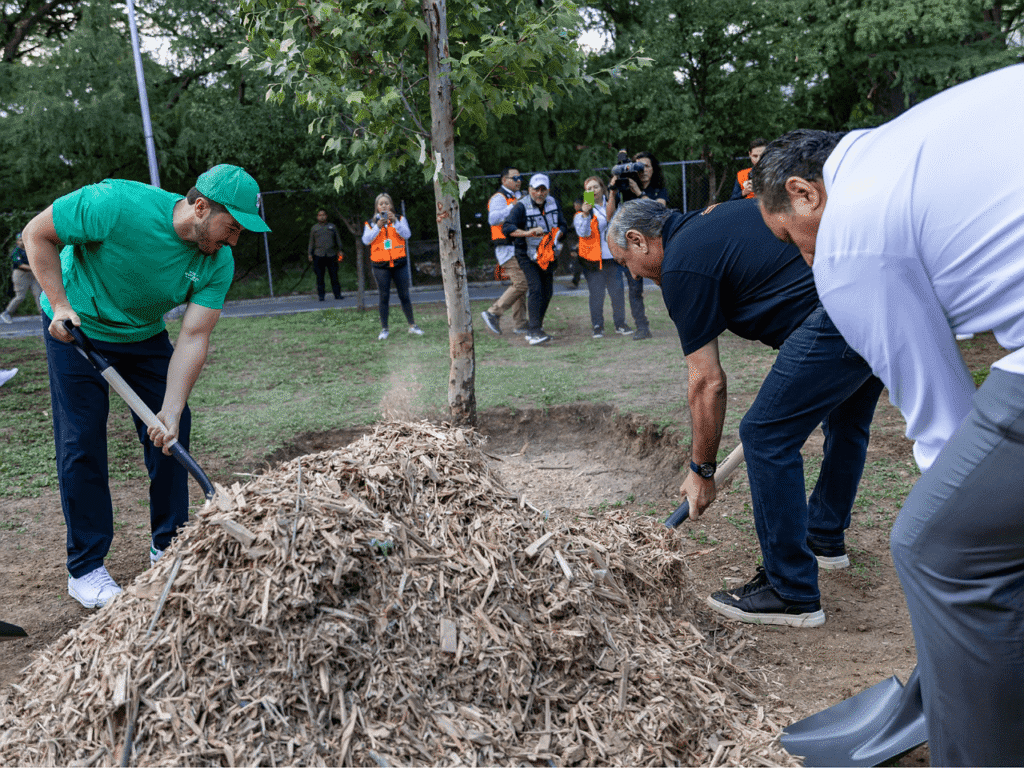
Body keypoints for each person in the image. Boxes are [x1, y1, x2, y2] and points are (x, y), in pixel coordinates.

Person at [752, 64, 1024, 766]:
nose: (804, 258)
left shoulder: (851, 240)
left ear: (804, 192)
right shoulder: (906, 146)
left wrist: (960, 531)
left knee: (936, 545)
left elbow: (944, 428)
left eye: (792, 238)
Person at [607, 197, 883, 628]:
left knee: (766, 435)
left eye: (626, 262)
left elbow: (707, 382)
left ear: (639, 240)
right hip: (874, 297)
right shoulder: (714, 218)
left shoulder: (681, 264)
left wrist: (701, 469)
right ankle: (824, 537)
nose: (632, 274)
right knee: (847, 422)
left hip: (834, 315)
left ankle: (790, 592)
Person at [21, 164, 271, 610]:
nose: (233, 241)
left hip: (140, 334)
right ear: (200, 207)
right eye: (231, 228)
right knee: (82, 440)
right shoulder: (115, 204)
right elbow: (36, 234)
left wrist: (171, 409)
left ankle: (169, 545)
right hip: (76, 326)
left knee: (172, 432)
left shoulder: (218, 261)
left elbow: (195, 336)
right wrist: (59, 304)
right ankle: (86, 568)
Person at [502, 173, 567, 346]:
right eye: (536, 189)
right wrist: (528, 233)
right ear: (530, 189)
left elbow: (563, 225)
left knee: (547, 292)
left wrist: (555, 236)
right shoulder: (521, 207)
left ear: (548, 190)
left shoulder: (553, 202)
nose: (540, 193)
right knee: (536, 289)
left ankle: (536, 328)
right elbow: (507, 228)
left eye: (543, 189)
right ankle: (534, 331)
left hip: (547, 254)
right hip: (527, 255)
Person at [607, 151, 666, 340]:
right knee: (634, 289)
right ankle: (641, 326)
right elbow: (609, 217)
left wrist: (639, 193)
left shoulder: (658, 189)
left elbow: (660, 211)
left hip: (656, 246)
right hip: (632, 248)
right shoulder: (625, 189)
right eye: (639, 167)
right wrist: (613, 190)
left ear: (653, 168)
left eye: (647, 166)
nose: (643, 171)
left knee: (666, 282)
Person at [361, 193, 423, 341]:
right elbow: (366, 240)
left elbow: (407, 235)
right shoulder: (370, 223)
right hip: (380, 266)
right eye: (381, 203)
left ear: (391, 205)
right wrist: (378, 226)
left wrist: (395, 222)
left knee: (404, 295)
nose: (383, 206)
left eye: (386, 203)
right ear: (377, 206)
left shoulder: (400, 219)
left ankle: (412, 325)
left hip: (399, 263)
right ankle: (384, 329)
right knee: (384, 296)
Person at [573, 177, 626, 338]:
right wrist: (585, 214)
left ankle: (620, 324)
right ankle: (597, 325)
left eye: (595, 187)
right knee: (597, 294)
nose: (593, 191)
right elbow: (583, 233)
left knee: (617, 291)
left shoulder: (614, 204)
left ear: (603, 188)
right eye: (589, 189)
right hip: (593, 260)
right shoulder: (582, 214)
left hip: (612, 256)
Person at [480, 167, 527, 336]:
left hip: (518, 247)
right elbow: (492, 219)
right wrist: (513, 207)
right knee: (522, 283)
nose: (519, 180)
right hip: (506, 248)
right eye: (515, 178)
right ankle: (493, 312)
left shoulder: (518, 196)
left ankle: (520, 324)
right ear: (504, 180)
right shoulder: (499, 198)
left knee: (519, 285)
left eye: (520, 177)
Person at [2, 232, 42, 324]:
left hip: (32, 275)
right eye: (20, 240)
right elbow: (20, 265)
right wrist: (34, 268)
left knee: (38, 293)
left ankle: (43, 315)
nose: (22, 242)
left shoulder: (30, 249)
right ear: (17, 242)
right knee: (20, 296)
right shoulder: (16, 251)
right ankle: (6, 313)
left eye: (24, 240)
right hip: (20, 275)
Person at [307, 208, 344, 301]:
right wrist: (309, 254)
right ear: (317, 217)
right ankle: (321, 295)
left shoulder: (332, 227)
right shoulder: (314, 228)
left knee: (334, 275)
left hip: (331, 254)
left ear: (326, 216)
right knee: (320, 276)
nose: (322, 216)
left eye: (323, 214)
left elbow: (338, 239)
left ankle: (337, 294)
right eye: (320, 215)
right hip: (319, 255)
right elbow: (311, 242)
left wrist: (340, 250)